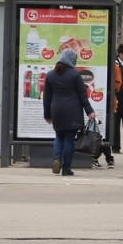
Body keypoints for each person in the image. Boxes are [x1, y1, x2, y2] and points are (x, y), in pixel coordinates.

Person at [42, 48, 96, 177]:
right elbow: (82, 95)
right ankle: (66, 168)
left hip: (57, 110)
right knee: (69, 139)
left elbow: (46, 98)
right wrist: (89, 111)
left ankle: (57, 159)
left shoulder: (50, 75)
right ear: (72, 60)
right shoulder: (74, 74)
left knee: (59, 136)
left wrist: (47, 115)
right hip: (72, 110)